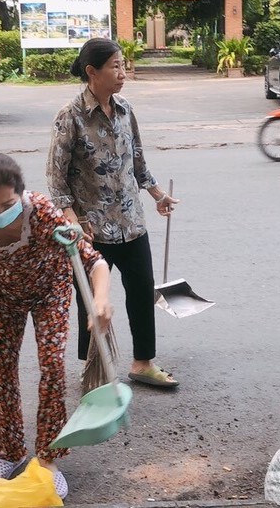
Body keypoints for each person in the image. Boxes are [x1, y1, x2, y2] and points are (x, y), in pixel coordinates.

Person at [0, 153, 113, 499]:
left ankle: (48, 458)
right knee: (2, 371)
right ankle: (9, 451)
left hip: (49, 292)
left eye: (7, 204)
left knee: (52, 368)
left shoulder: (42, 213)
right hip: (1, 292)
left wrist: (100, 300)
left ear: (21, 193)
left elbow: (94, 261)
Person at [47, 38, 181, 388]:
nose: (122, 73)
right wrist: (71, 219)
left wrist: (156, 194)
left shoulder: (124, 108)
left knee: (141, 291)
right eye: (115, 67)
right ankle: (97, 368)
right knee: (91, 302)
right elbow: (55, 175)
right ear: (92, 72)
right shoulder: (70, 116)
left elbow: (136, 160)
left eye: (123, 65)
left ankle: (142, 363)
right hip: (90, 228)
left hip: (131, 221)